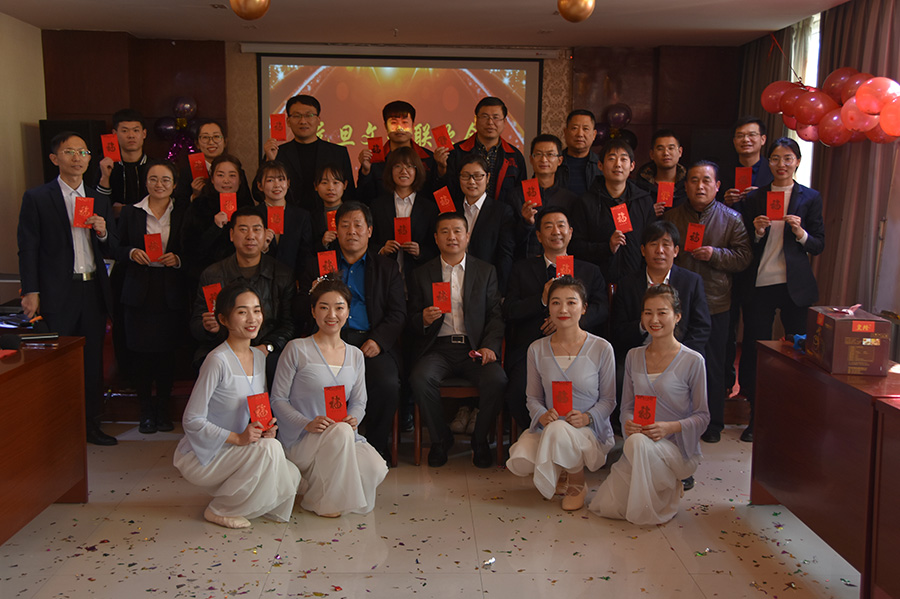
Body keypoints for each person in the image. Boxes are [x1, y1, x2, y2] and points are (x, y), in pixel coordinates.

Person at [17, 131, 118, 446]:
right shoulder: (38, 197)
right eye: (69, 152)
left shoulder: (98, 198)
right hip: (57, 292)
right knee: (58, 361)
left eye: (83, 152)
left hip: (92, 290)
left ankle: (91, 425)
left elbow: (112, 246)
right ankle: (58, 428)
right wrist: (30, 291)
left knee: (91, 362)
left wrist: (103, 232)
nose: (77, 158)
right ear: (54, 158)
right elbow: (28, 248)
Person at [174, 281, 300, 529]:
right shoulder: (217, 361)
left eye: (257, 310)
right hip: (206, 453)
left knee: (291, 473)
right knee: (271, 451)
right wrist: (239, 438)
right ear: (223, 319)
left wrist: (264, 428)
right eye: (242, 312)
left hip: (239, 448)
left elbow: (256, 407)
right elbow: (192, 419)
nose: (252, 319)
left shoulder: (259, 357)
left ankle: (239, 501)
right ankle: (220, 509)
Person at [590, 284, 709, 525]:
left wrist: (669, 427)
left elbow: (702, 416)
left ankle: (671, 482)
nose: (654, 320)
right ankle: (665, 485)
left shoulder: (693, 360)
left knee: (636, 445)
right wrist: (629, 422)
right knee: (608, 507)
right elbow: (626, 407)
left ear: (677, 316)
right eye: (648, 313)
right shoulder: (634, 356)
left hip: (677, 449)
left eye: (662, 312)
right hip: (641, 442)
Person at [298, 202, 406, 463]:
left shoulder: (386, 267)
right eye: (345, 226)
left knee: (387, 383)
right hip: (327, 341)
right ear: (336, 230)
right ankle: (320, 444)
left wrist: (378, 340)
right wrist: (311, 293)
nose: (352, 231)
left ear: (370, 230)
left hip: (369, 339)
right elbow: (298, 309)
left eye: (358, 225)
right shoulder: (319, 264)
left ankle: (376, 446)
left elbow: (398, 313)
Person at [271, 276, 388, 517]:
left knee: (375, 467)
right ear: (313, 311)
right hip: (303, 438)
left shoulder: (355, 355)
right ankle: (322, 501)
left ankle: (317, 484)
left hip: (342, 434)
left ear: (348, 311)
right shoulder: (296, 349)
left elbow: (359, 401)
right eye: (324, 307)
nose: (332, 315)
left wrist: (353, 419)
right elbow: (278, 400)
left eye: (339, 308)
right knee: (341, 433)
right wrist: (306, 423)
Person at [738, 138, 825, 442]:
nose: (781, 164)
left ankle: (795, 414)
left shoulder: (810, 197)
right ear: (769, 162)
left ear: (797, 161)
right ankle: (756, 416)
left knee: (799, 351)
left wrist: (801, 233)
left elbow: (818, 244)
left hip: (795, 287)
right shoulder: (755, 198)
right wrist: (757, 231)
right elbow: (743, 243)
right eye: (775, 158)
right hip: (760, 284)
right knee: (754, 350)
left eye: (788, 158)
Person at [506, 276, 616, 511]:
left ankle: (577, 483)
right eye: (556, 303)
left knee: (559, 431)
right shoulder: (536, 349)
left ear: (584, 308)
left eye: (571, 302)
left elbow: (609, 400)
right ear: (548, 307)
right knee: (530, 449)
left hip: (588, 430)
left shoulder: (602, 348)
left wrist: (587, 417)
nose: (563, 309)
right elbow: (533, 398)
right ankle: (562, 468)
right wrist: (542, 415)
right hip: (551, 426)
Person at [408, 212, 508, 468]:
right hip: (438, 349)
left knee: (497, 380)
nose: (451, 237)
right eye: (445, 232)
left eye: (457, 231)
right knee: (420, 378)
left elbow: (495, 316)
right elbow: (410, 318)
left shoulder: (485, 271)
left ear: (467, 236)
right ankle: (441, 439)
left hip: (474, 349)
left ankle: (480, 440)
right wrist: (423, 319)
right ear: (436, 238)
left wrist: (489, 346)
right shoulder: (422, 274)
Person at [663, 161, 751, 444]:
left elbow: (744, 258)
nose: (700, 186)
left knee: (712, 365)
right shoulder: (672, 217)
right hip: (677, 303)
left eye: (706, 181)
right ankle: (677, 419)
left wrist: (716, 254)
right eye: (693, 180)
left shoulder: (732, 218)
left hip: (716, 302)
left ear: (717, 186)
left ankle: (713, 423)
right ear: (685, 185)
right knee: (675, 363)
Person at [503, 207, 608, 432]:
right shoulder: (521, 269)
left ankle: (578, 432)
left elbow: (602, 309)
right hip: (531, 348)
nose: (556, 231)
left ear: (570, 232)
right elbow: (510, 310)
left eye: (561, 226)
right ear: (539, 236)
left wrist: (568, 322)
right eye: (548, 227)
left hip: (580, 349)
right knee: (517, 390)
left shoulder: (590, 271)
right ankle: (537, 432)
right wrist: (541, 300)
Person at [116, 160, 189, 434]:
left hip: (169, 290)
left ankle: (163, 409)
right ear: (146, 182)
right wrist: (131, 252)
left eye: (166, 179)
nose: (159, 184)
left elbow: (193, 249)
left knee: (166, 354)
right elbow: (116, 246)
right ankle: (145, 410)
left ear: (175, 184)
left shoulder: (183, 211)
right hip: (139, 291)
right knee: (141, 355)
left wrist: (178, 259)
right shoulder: (131, 212)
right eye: (154, 179)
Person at [190, 206, 296, 384]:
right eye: (243, 229)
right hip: (223, 346)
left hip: (266, 349)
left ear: (265, 234)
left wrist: (267, 347)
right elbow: (195, 324)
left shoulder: (282, 274)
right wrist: (208, 328)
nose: (250, 236)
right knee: (209, 361)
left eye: (256, 229)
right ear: (231, 235)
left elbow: (289, 324)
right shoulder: (212, 274)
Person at [718, 117, 775, 399]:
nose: (746, 140)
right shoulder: (723, 172)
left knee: (755, 328)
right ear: (734, 141)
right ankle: (725, 382)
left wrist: (759, 199)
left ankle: (751, 390)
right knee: (725, 327)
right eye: (740, 135)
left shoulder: (773, 173)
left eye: (752, 135)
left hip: (761, 260)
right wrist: (723, 201)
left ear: (762, 139)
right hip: (727, 259)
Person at [570, 139, 656, 284]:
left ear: (632, 166)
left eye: (623, 159)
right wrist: (607, 248)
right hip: (597, 281)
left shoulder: (643, 201)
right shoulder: (585, 202)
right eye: (611, 159)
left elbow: (652, 241)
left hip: (636, 281)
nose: (618, 164)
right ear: (600, 165)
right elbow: (575, 246)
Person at [264, 94, 355, 212]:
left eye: (309, 115)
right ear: (288, 121)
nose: (303, 121)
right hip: (289, 217)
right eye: (296, 116)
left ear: (318, 120)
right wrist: (270, 161)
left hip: (327, 216)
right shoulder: (277, 153)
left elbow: (350, 193)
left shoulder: (338, 153)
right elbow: (258, 193)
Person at [181, 154, 254, 284]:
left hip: (243, 279)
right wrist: (215, 228)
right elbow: (189, 251)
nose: (226, 180)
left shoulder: (249, 210)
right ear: (212, 179)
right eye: (220, 175)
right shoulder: (198, 207)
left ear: (240, 180)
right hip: (207, 278)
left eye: (232, 175)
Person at [356, 100, 445, 204]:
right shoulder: (374, 160)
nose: (399, 128)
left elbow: (438, 194)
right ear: (385, 126)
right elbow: (363, 199)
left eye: (405, 122)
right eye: (394, 123)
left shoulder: (429, 158)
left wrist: (441, 170)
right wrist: (365, 172)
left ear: (413, 125)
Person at [445, 96, 527, 209]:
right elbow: (447, 188)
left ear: (504, 122)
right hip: (464, 215)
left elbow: (520, 194)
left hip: (503, 217)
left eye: (496, 117)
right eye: (485, 117)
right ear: (476, 120)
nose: (490, 122)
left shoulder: (515, 156)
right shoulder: (457, 152)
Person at [370, 145, 440, 273]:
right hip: (385, 273)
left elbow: (436, 246)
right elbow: (368, 242)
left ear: (417, 171)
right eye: (398, 166)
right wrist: (382, 250)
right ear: (390, 171)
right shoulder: (377, 206)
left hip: (418, 274)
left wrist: (420, 252)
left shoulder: (429, 208)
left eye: (409, 166)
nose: (404, 171)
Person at [453, 154, 515, 294]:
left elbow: (505, 255)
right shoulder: (452, 210)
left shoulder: (502, 211)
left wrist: (499, 291)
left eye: (477, 176)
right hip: (454, 281)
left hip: (485, 285)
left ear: (488, 178)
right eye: (465, 176)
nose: (471, 181)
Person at [511, 134, 580, 258]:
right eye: (538, 154)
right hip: (525, 263)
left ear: (559, 161)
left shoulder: (569, 199)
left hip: (559, 262)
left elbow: (575, 241)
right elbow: (509, 239)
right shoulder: (516, 195)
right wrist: (526, 223)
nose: (544, 159)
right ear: (531, 159)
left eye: (550, 154)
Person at [252, 160, 313, 272]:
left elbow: (306, 255)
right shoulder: (252, 215)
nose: (277, 185)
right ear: (260, 185)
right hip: (259, 276)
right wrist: (262, 248)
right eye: (270, 180)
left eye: (281, 179)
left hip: (292, 278)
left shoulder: (301, 216)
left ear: (288, 183)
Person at [179, 120, 253, 204]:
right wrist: (195, 196)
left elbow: (248, 204)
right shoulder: (187, 173)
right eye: (205, 137)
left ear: (225, 142)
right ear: (197, 144)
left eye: (216, 136)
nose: (211, 142)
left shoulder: (236, 171)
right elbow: (180, 207)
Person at [97, 108, 149, 216]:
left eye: (136, 130)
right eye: (125, 131)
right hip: (113, 225)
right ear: (114, 134)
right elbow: (99, 205)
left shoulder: (154, 166)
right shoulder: (105, 165)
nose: (131, 135)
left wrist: (126, 210)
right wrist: (105, 177)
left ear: (144, 133)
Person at [634, 129, 688, 212]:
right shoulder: (639, 186)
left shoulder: (689, 184)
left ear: (680, 152)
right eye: (660, 149)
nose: (666, 153)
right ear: (652, 154)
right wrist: (648, 214)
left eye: (671, 148)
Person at [558, 109, 601, 196]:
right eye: (575, 128)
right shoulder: (553, 163)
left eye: (585, 129)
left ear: (594, 134)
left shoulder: (601, 165)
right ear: (565, 132)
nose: (580, 134)